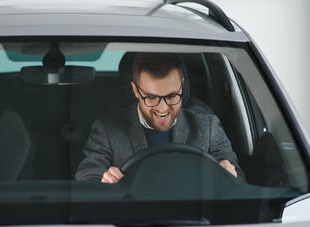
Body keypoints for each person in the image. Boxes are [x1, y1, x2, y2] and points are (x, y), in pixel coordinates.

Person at [75, 52, 245, 183]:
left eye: (172, 96)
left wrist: (229, 176)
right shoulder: (107, 130)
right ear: (135, 91)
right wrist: (103, 182)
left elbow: (240, 181)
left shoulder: (207, 126)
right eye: (151, 97)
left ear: (182, 86)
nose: (163, 108)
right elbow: (87, 178)